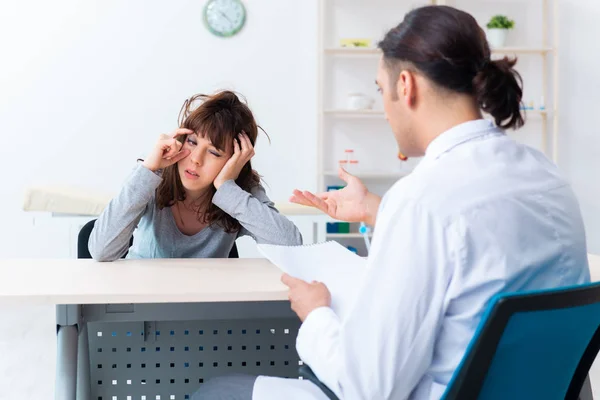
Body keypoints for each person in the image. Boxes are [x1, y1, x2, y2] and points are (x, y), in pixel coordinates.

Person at [194, 5, 590, 400]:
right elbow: (484, 250)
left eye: (381, 90)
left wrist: (315, 313)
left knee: (215, 391)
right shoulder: (548, 179)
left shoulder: (424, 199)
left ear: (406, 85)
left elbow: (370, 388)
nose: (384, 109)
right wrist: (378, 212)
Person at [89, 90, 302, 261]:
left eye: (214, 152)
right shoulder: (155, 172)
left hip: (205, 310)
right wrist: (147, 172)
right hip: (144, 304)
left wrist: (227, 188)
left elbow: (292, 246)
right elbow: (101, 251)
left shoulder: (238, 188)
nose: (196, 159)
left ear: (234, 160)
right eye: (192, 142)